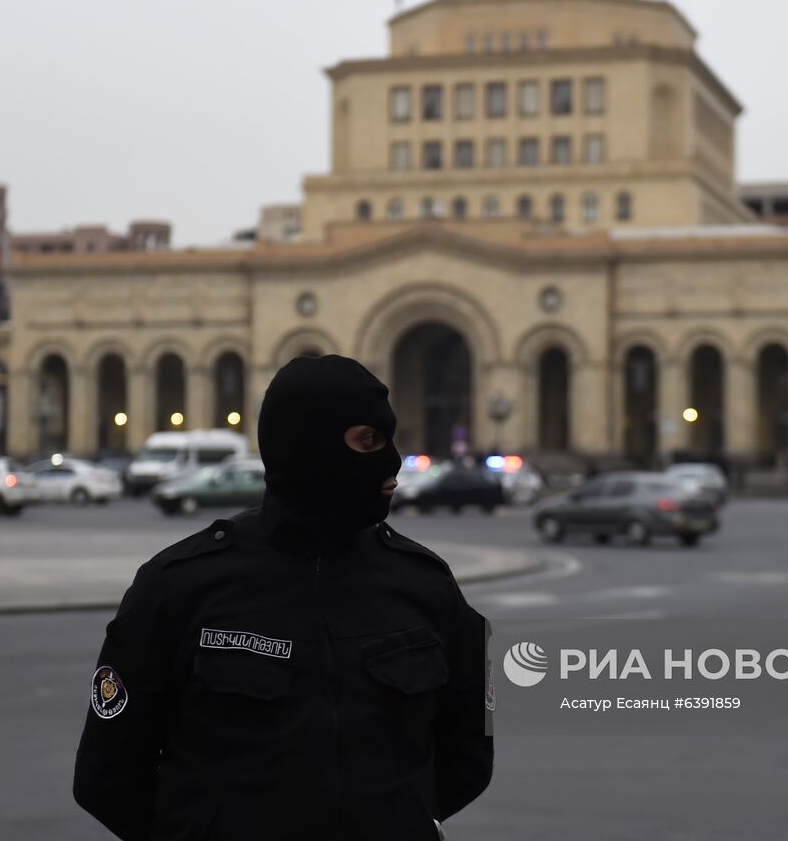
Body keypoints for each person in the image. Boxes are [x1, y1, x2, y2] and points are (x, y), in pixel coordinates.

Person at [73, 354, 494, 840]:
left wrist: (404, 819)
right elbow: (107, 776)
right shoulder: (180, 586)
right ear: (306, 446)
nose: (391, 462)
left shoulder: (424, 584)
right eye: (368, 441)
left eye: (388, 440)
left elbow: (471, 751)